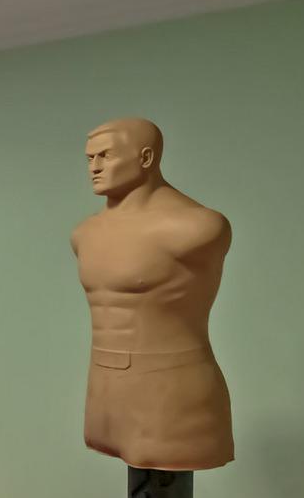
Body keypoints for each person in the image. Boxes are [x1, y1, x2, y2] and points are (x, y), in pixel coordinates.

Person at [72, 118, 233, 471]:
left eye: (105, 156)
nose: (94, 167)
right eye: (89, 158)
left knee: (164, 496)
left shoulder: (196, 227)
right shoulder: (84, 234)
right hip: (103, 389)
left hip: (171, 389)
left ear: (146, 158)